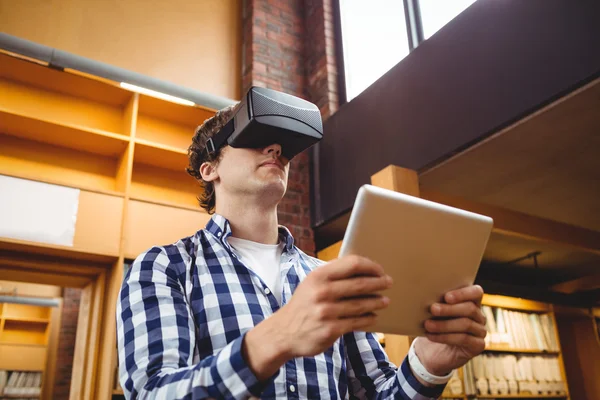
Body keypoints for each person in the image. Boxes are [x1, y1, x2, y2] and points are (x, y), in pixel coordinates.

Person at [116, 105, 487, 399]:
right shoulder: (165, 267)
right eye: (255, 137)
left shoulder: (328, 279)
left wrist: (428, 365)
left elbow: (380, 393)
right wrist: (276, 337)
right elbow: (152, 391)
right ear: (210, 168)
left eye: (282, 145)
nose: (276, 150)